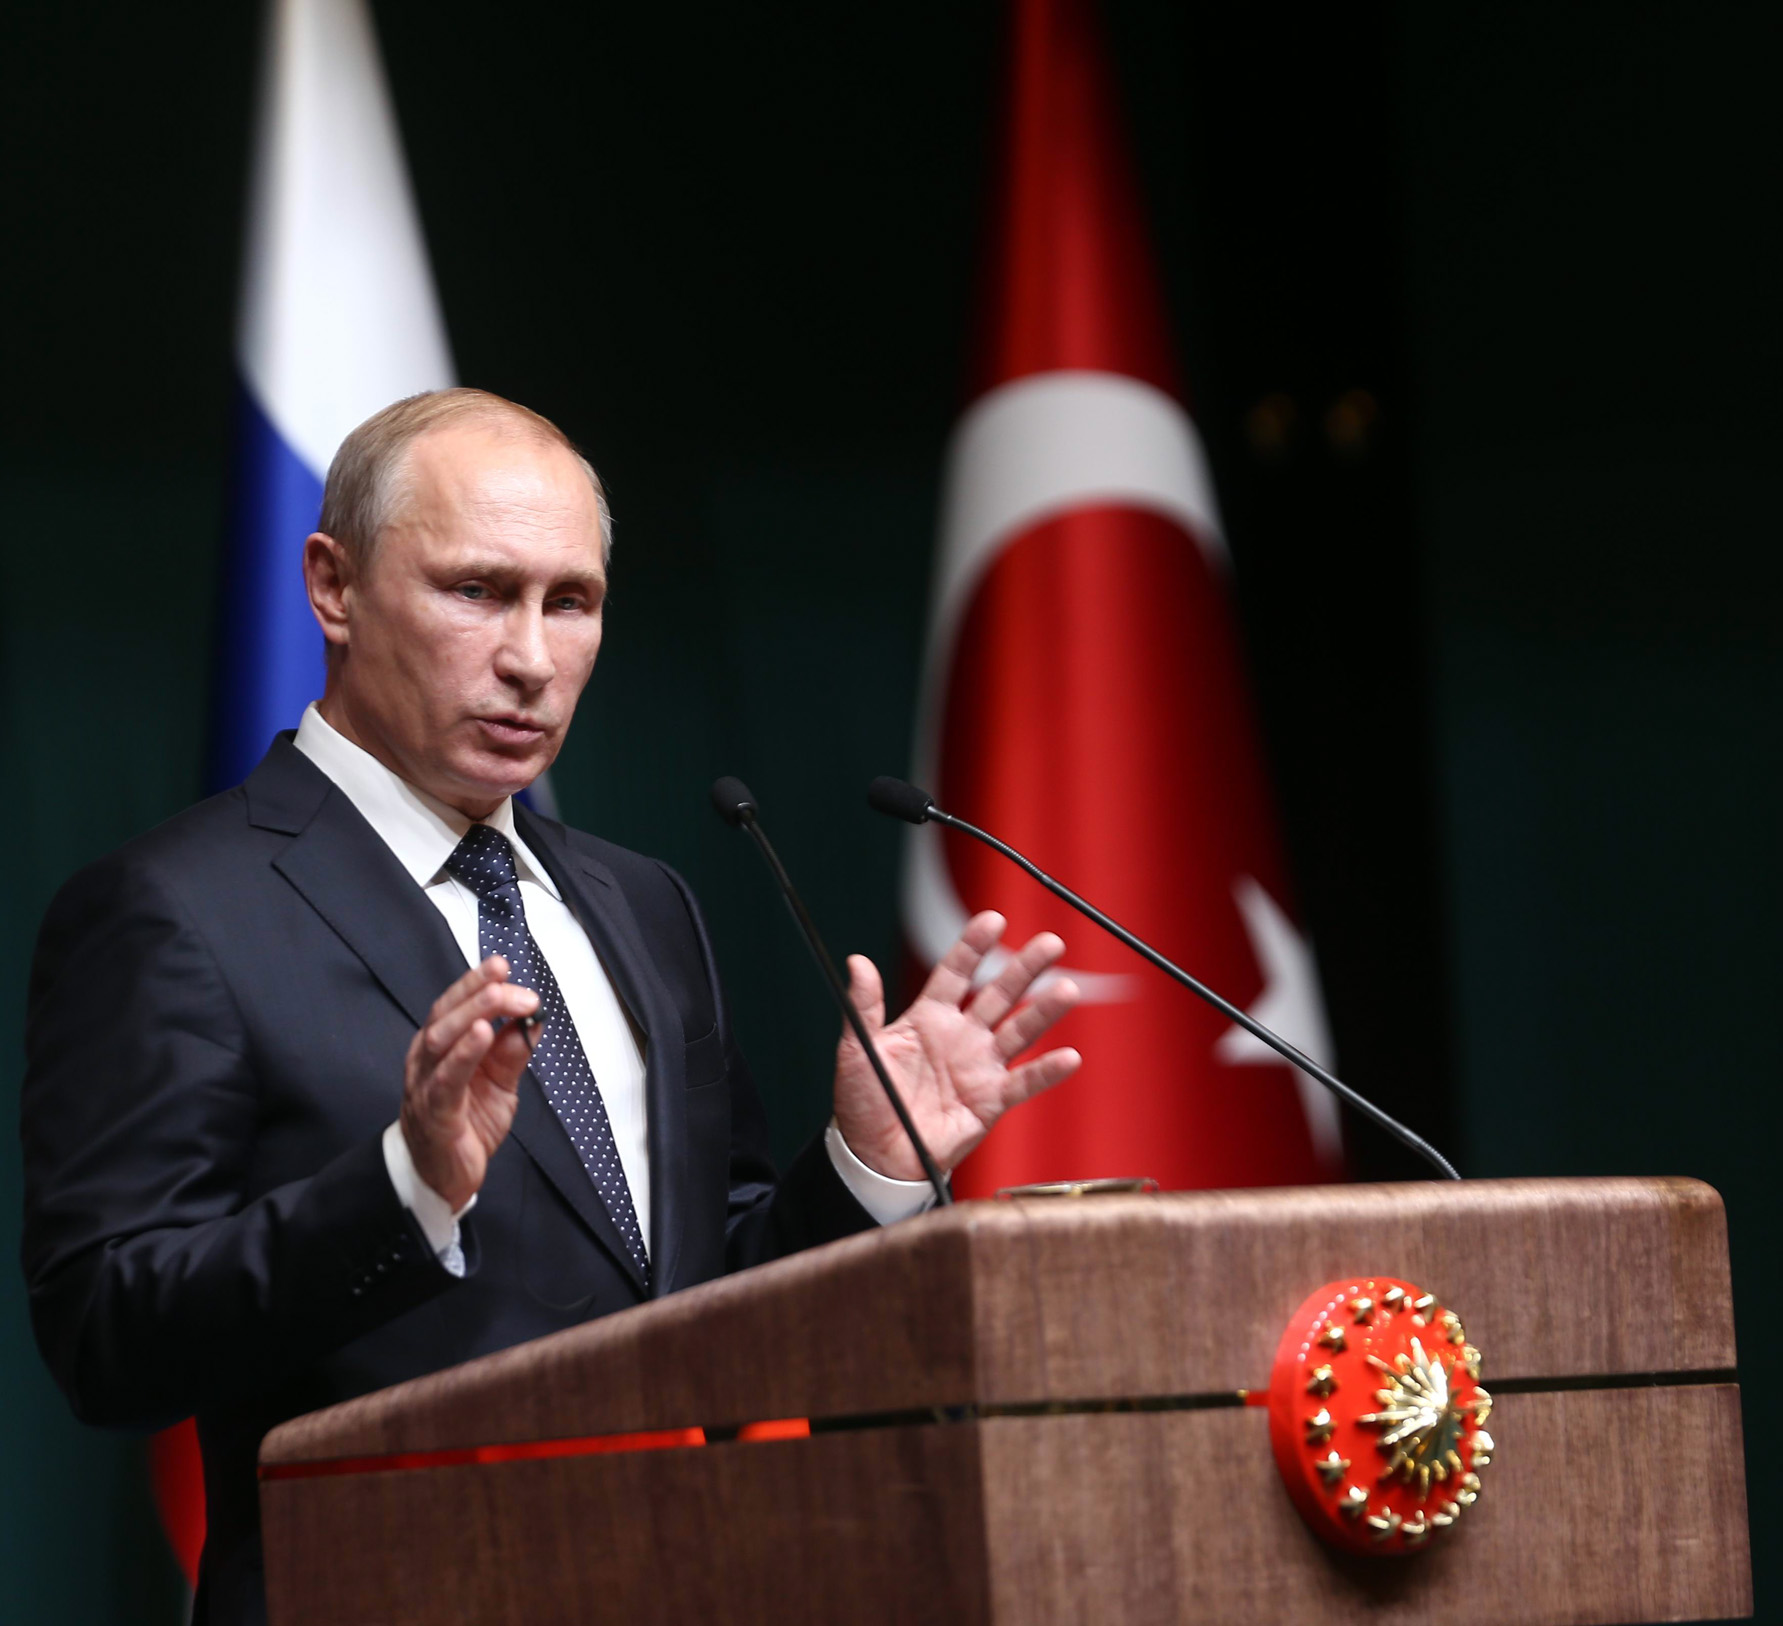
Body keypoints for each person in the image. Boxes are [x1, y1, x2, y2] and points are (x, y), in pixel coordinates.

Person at [19, 389, 1083, 1626]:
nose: (530, 658)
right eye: (477, 591)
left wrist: (866, 1170)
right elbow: (107, 1339)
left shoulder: (646, 903)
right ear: (332, 588)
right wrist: (406, 1187)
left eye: (569, 601)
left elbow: (702, 1305)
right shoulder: (175, 910)